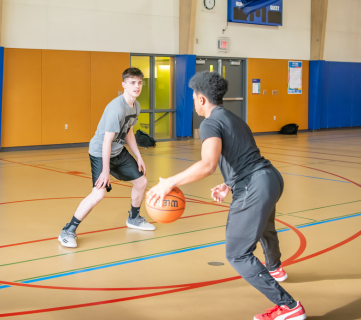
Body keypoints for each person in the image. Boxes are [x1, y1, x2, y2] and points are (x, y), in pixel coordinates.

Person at [146, 71, 306, 320]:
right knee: (266, 229)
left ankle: (288, 307)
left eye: (193, 97)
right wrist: (229, 184)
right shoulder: (233, 118)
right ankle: (275, 269)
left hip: (255, 185)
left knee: (237, 254)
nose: (193, 101)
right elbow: (244, 156)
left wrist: (170, 182)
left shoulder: (209, 123)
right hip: (271, 178)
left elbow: (208, 164)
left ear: (200, 99)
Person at [58, 67, 155, 249]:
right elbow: (106, 142)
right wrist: (105, 170)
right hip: (100, 152)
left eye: (140, 82)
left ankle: (133, 218)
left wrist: (138, 156)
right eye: (132, 83)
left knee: (142, 182)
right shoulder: (116, 108)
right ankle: (68, 230)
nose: (137, 86)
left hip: (118, 151)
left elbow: (129, 132)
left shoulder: (136, 106)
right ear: (124, 85)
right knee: (99, 193)